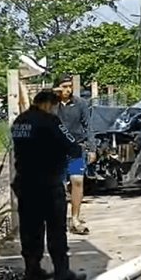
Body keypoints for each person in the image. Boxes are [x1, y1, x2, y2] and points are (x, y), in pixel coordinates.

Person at [11, 90, 87, 280]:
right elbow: (72, 147)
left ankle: (32, 269)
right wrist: (78, 151)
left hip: (25, 184)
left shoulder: (19, 122)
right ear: (48, 104)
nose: (55, 111)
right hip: (48, 183)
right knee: (56, 229)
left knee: (30, 229)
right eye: (54, 107)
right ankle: (62, 272)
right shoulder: (50, 122)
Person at [54, 75, 90, 235]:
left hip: (76, 148)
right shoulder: (52, 104)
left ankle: (75, 218)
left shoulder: (80, 104)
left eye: (70, 86)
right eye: (64, 86)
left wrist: (92, 148)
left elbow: (88, 126)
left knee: (77, 181)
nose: (68, 89)